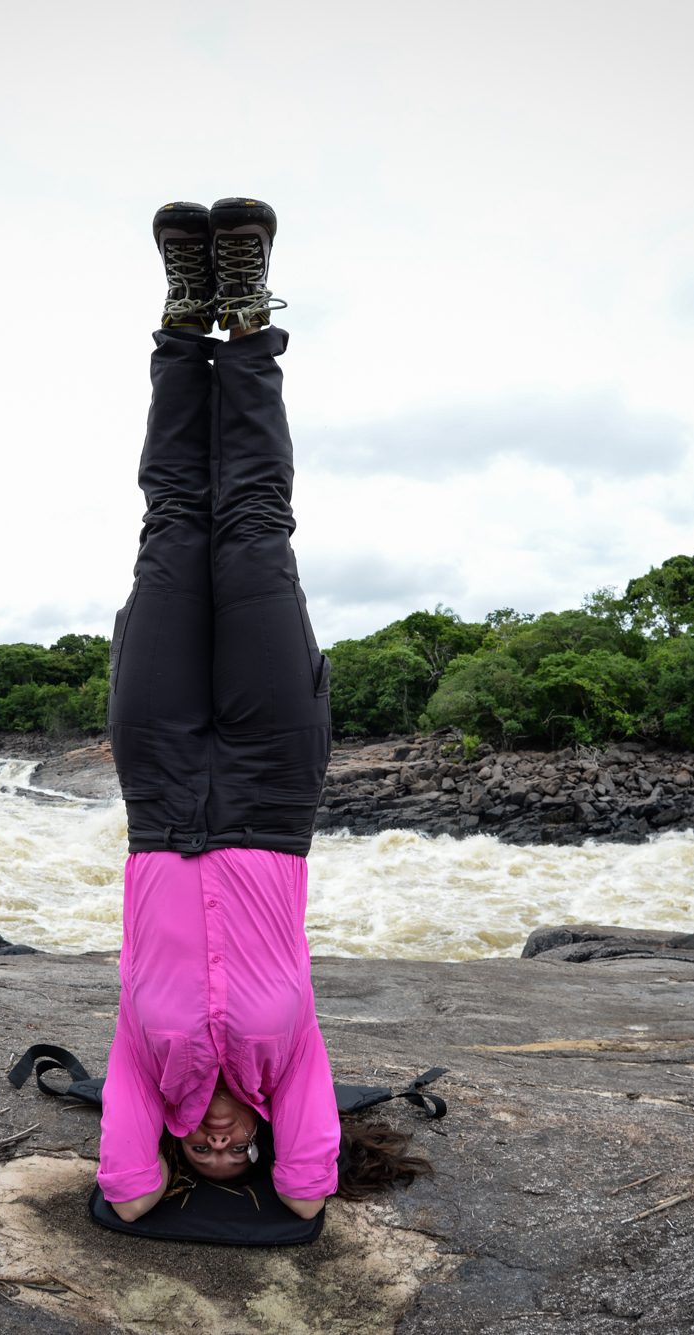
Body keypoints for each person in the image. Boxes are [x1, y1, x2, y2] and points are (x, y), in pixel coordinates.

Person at [96, 197, 426, 1224]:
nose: (221, 1143)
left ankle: (180, 325)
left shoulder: (144, 1070)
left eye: (205, 1156)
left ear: (172, 1142)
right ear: (273, 1141)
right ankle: (246, 321)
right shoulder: (294, 1064)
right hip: (272, 791)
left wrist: (162, 1186)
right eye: (243, 1154)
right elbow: (306, 1188)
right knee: (250, 531)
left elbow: (126, 1187)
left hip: (158, 792)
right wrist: (279, 1196)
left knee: (169, 527)